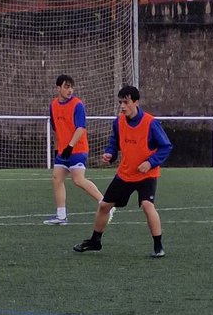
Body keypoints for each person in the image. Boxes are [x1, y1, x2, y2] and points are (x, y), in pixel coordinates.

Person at [73, 85, 172, 258]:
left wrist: (150, 162)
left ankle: (158, 246)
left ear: (136, 102)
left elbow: (166, 147)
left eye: (126, 102)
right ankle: (95, 241)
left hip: (146, 175)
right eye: (120, 103)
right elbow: (115, 142)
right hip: (125, 174)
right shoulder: (118, 122)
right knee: (104, 206)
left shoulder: (150, 123)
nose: (123, 106)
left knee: (148, 206)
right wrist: (110, 154)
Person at [44, 74, 108, 226]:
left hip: (77, 149)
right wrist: (57, 149)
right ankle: (61, 216)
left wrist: (70, 146)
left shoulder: (78, 105)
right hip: (62, 151)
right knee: (56, 179)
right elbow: (56, 130)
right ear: (58, 88)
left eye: (71, 87)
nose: (70, 90)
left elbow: (80, 128)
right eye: (66, 87)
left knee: (78, 180)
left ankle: (106, 204)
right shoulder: (53, 105)